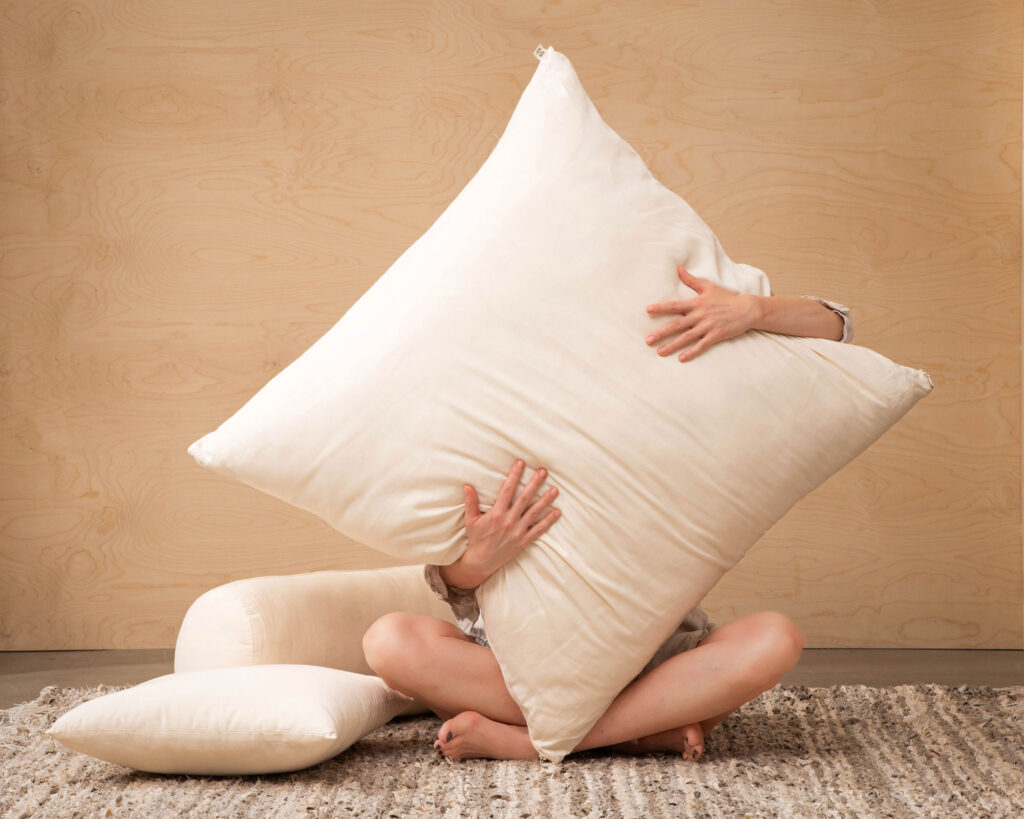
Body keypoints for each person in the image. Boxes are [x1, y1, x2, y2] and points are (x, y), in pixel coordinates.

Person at [362, 265, 853, 763]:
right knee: (389, 641)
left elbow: (839, 329)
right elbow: (450, 584)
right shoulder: (490, 420)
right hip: (517, 665)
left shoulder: (674, 398)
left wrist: (752, 310)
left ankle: (531, 743)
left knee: (775, 638)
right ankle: (638, 734)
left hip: (659, 666)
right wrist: (478, 561)